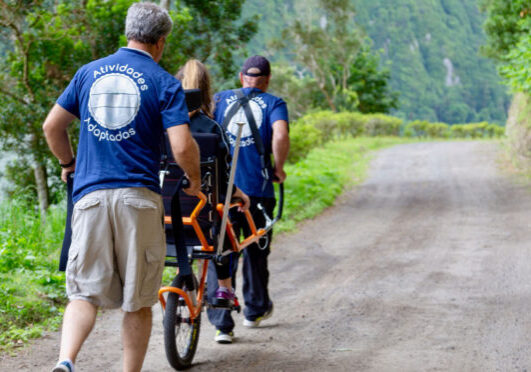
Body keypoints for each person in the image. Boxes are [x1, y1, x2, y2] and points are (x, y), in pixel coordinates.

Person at [42, 3, 201, 372]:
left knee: (83, 293)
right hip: (139, 200)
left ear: (128, 32)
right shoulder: (164, 82)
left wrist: (69, 165)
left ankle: (65, 361)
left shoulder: (87, 73)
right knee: (138, 300)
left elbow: (53, 126)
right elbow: (180, 145)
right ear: (161, 42)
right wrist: (193, 180)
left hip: (91, 198)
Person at [208, 55, 290, 343]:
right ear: (266, 80)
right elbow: (279, 134)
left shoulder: (219, 99)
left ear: (242, 77)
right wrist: (278, 169)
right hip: (258, 188)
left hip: (222, 192)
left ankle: (221, 323)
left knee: (221, 250)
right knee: (256, 249)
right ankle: (254, 312)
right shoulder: (274, 103)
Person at [175, 59, 250, 344]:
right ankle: (224, 288)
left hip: (165, 215)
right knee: (226, 233)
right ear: (207, 92)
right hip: (204, 219)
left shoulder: (163, 126)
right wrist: (239, 194)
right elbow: (224, 176)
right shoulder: (211, 127)